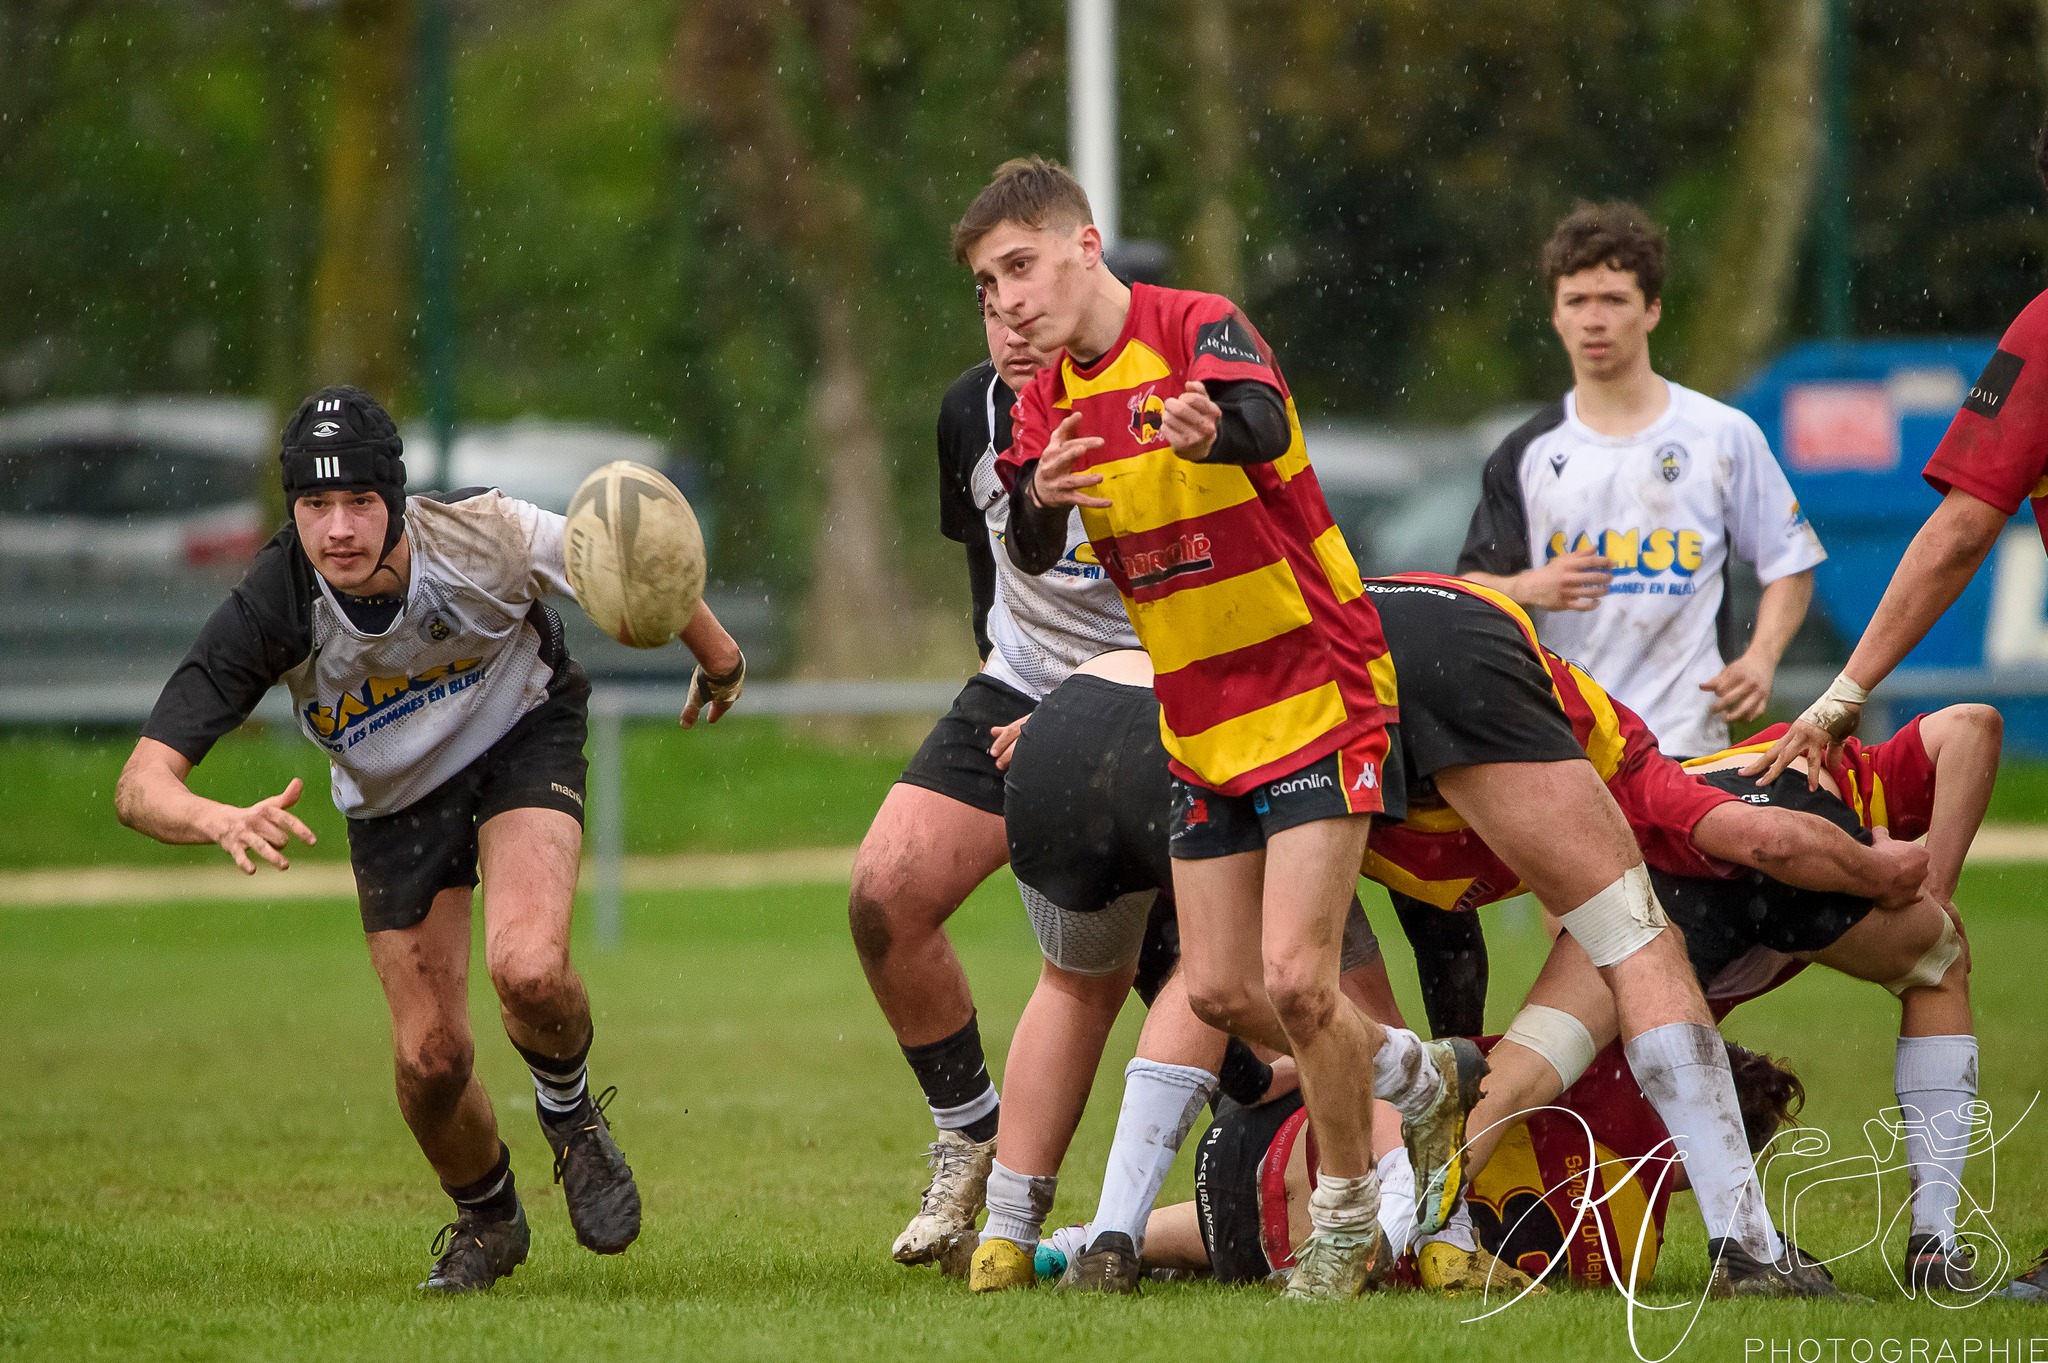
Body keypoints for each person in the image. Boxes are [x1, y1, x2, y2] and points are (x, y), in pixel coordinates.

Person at [976, 569, 1910, 1295]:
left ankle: (1099, 1233)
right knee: (1640, 939)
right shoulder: (1624, 765)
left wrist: (1094, 721)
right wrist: (1889, 870)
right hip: (1431, 637)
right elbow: (1755, 828)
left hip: (1333, 644)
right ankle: (1747, 1250)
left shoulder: (1448, 790)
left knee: (1245, 973)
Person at [965, 154, 1480, 1300]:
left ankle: (1344, 1215)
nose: (1003, 300)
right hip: (1194, 717)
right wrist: (1041, 496)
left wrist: (1209, 433)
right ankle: (1416, 1074)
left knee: (1300, 980)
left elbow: (1255, 416)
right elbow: (1037, 543)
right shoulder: (1042, 399)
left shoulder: (1198, 326)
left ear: (1083, 246)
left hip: (1314, 689)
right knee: (1218, 994)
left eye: (1017, 267)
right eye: (987, 284)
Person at [112, 386, 748, 1293]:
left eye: (361, 501)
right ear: (291, 509)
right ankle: (488, 1218)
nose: (338, 527)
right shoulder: (272, 607)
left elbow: (633, 557)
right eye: (315, 505)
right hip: (392, 803)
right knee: (430, 1060)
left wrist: (720, 658)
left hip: (518, 735)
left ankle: (569, 1119)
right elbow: (140, 785)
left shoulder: (485, 538)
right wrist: (218, 818)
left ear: (397, 498)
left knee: (528, 967)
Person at [1463, 706, 1995, 1295]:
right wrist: (1937, 889)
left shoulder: (1717, 769)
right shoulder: (1853, 771)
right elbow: (1974, 723)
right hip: (1777, 844)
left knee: (1525, 1065)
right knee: (1940, 966)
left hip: (1659, 868)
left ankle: (1397, 1227)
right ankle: (1933, 1246)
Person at [854, 287, 1142, 1271]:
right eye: (983, 296)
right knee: (884, 895)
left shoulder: (1151, 406)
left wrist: (1075, 718)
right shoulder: (965, 411)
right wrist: (1009, 676)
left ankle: (1241, 1185)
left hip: (1151, 697)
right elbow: (993, 569)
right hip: (1014, 681)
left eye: (1028, 292)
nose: (1010, 324)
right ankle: (968, 1133)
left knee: (1208, 988)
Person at [1458, 201, 1825, 759]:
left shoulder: (1722, 434)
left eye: (1613, 300)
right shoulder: (1526, 451)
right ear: (1556, 316)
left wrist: (1761, 657)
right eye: (1576, 301)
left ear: (1651, 310)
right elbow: (1467, 590)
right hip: (1568, 745)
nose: (1594, 318)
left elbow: (1791, 562)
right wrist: (1528, 588)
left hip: (1684, 738)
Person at [1132, 1037, 1804, 1294]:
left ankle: (1088, 1239)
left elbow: (1430, 1069)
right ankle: (1108, 1243)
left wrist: (1282, 1068)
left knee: (1422, 1081)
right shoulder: (1637, 1257)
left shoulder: (1601, 1072)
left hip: (1273, 1142)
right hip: (1261, 1246)